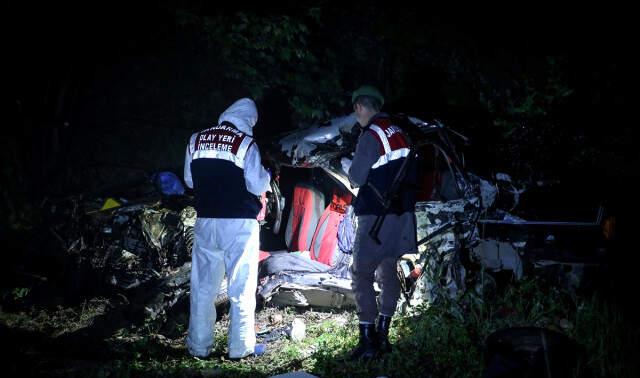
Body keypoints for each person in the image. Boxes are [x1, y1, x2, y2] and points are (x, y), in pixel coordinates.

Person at [183, 98, 271, 359]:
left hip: (206, 221)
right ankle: (240, 348)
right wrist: (267, 174)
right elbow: (257, 185)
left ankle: (198, 347)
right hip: (239, 224)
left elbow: (189, 180)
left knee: (202, 287)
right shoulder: (245, 143)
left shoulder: (195, 139)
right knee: (241, 286)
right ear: (248, 120)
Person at [347, 85, 417, 360]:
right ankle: (384, 335)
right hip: (401, 218)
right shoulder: (400, 133)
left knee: (361, 274)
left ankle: (368, 341)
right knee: (389, 273)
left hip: (375, 218)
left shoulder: (371, 135)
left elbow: (356, 178)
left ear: (359, 107)